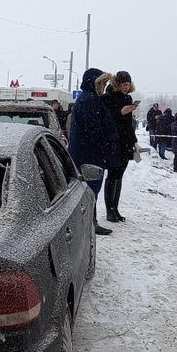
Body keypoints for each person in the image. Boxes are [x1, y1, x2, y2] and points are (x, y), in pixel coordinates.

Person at [67, 68, 123, 236]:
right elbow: (94, 130)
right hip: (90, 155)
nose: (104, 86)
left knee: (88, 189)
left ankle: (90, 221)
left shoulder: (88, 99)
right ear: (94, 82)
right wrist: (104, 146)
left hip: (86, 153)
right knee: (90, 190)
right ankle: (90, 222)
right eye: (102, 83)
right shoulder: (90, 100)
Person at [101, 70, 138, 223]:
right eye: (124, 84)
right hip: (114, 141)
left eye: (128, 85)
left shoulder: (128, 98)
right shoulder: (108, 98)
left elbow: (128, 124)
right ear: (117, 84)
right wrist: (120, 112)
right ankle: (109, 209)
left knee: (120, 175)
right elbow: (107, 120)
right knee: (112, 174)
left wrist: (134, 140)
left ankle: (115, 208)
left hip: (126, 141)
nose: (126, 87)